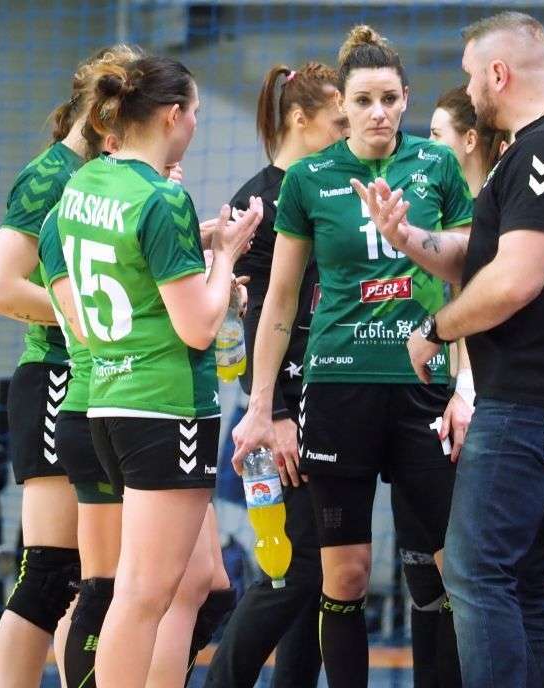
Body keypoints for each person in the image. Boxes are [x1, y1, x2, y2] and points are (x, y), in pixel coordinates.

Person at [359, 12, 544, 688]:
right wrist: (407, 238)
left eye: (473, 75)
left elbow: (514, 280)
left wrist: (437, 328)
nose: (470, 89)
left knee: (476, 574)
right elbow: (484, 257)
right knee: (525, 584)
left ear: (499, 74)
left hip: (534, 401)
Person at [230, 25, 474, 687]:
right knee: (344, 575)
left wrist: (466, 388)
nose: (377, 113)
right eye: (363, 100)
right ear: (344, 103)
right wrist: (261, 406)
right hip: (339, 391)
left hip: (424, 390)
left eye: (389, 98)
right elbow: (279, 302)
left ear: (406, 98)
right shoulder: (309, 178)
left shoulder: (437, 166)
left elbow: (468, 280)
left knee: (455, 569)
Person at [55, 55, 261, 688]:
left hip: (109, 400)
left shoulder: (87, 183)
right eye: (194, 112)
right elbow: (198, 326)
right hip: (166, 408)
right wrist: (226, 258)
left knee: (160, 587)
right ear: (173, 115)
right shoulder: (163, 196)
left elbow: (128, 268)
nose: (196, 124)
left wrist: (199, 246)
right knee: (144, 594)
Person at [205, 61, 347, 688]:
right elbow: (255, 316)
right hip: (279, 412)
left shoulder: (330, 187)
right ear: (299, 118)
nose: (347, 133)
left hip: (330, 401)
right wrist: (278, 413)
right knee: (294, 570)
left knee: (319, 575)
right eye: (338, 122)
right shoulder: (259, 202)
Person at [0, 46, 118, 687]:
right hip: (55, 377)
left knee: (89, 578)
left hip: (100, 381)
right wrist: (88, 320)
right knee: (49, 573)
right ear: (102, 112)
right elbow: (1, 288)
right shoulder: (50, 175)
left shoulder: (104, 178)